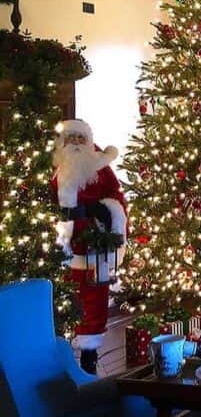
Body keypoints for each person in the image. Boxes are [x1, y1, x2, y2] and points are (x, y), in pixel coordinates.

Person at [51, 119, 128, 374]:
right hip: (64, 249)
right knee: (64, 299)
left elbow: (117, 196)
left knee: (94, 298)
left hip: (94, 247)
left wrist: (106, 211)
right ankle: (60, 356)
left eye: (79, 139)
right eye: (70, 139)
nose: (74, 144)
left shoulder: (99, 167)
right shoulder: (54, 168)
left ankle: (89, 355)